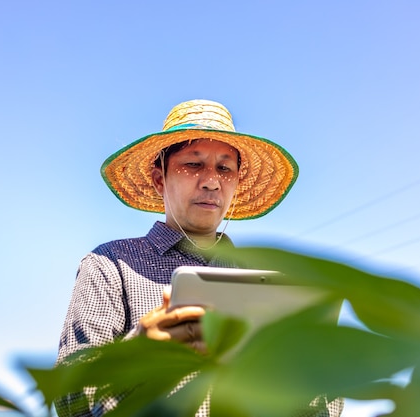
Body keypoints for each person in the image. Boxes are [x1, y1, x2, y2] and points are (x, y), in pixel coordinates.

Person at [55, 99, 343, 417]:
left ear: (236, 182)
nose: (211, 180)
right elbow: (72, 399)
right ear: (159, 178)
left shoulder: (270, 282)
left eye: (224, 168)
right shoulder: (111, 264)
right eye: (193, 164)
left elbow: (328, 404)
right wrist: (141, 352)